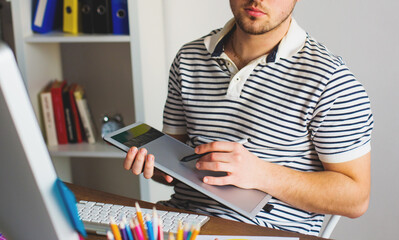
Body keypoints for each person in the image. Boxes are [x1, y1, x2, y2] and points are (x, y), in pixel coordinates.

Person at [124, 0, 374, 236]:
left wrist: (262, 175)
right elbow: (173, 158)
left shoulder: (330, 80)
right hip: (180, 223)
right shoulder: (189, 58)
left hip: (264, 232)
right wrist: (156, 165)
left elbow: (355, 199)